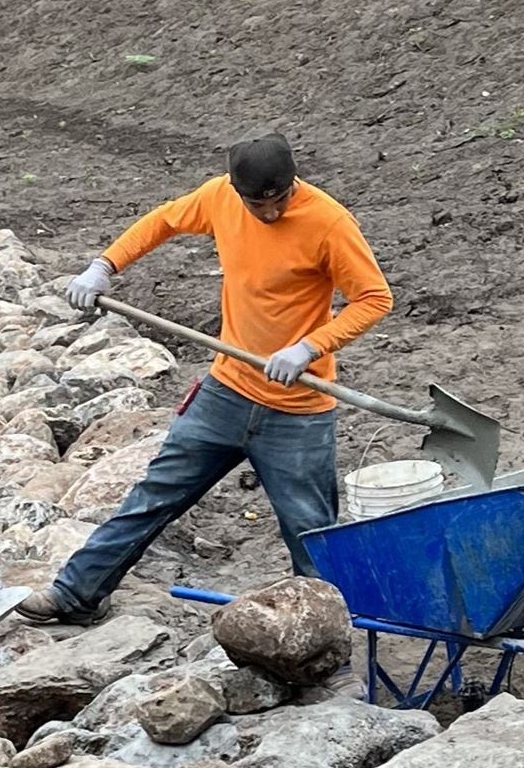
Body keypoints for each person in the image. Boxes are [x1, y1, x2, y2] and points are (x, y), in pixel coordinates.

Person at [21, 134, 392, 626]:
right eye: (255, 204)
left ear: (291, 185)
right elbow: (164, 220)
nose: (267, 214)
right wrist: (103, 265)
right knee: (154, 494)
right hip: (227, 391)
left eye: (277, 201)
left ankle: (327, 643)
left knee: (311, 535)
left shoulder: (328, 222)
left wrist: (309, 347)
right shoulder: (220, 196)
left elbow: (374, 298)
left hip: (297, 411)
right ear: (237, 192)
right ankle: (76, 595)